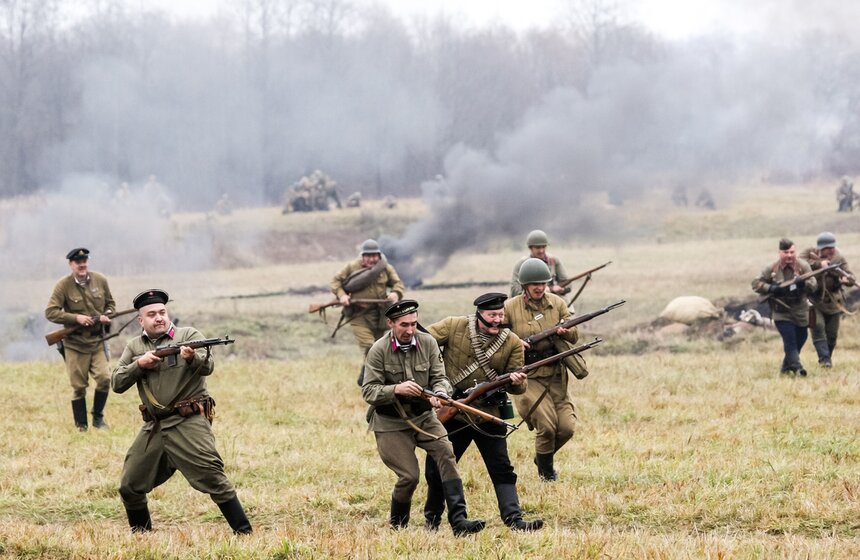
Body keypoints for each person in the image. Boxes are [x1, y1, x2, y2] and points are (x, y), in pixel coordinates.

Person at [111, 289, 252, 534]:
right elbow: (116, 382)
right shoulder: (134, 347)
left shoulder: (189, 335)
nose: (159, 318)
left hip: (189, 420)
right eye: (152, 314)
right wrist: (139, 365)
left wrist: (191, 358)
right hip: (154, 425)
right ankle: (142, 536)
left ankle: (244, 532)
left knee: (212, 476)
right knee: (130, 485)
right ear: (140, 320)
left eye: (163, 312)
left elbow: (208, 366)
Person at [361, 299, 485, 535]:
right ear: (390, 324)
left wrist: (440, 392)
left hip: (425, 417)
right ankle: (398, 526)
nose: (410, 330)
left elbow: (440, 377)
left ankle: (459, 521)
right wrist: (396, 389)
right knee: (409, 477)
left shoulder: (427, 342)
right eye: (404, 325)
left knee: (447, 454)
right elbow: (369, 391)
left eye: (414, 324)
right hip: (391, 422)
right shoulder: (378, 350)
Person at [423, 293, 544, 532]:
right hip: (454, 411)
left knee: (502, 468)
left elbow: (518, 387)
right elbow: (422, 342)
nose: (497, 320)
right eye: (492, 315)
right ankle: (433, 519)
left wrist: (517, 380)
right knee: (438, 467)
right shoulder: (453, 326)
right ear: (479, 313)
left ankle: (514, 519)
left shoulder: (510, 341)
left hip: (489, 414)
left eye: (500, 315)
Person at [505, 258, 579, 481]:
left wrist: (566, 332)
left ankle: (542, 457)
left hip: (555, 374)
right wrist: (515, 342)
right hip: (527, 376)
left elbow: (574, 335)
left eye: (543, 283)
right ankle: (546, 473)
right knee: (546, 427)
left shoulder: (557, 303)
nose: (539, 287)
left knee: (566, 427)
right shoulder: (510, 307)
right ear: (525, 285)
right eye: (534, 283)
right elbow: (499, 337)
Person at [45, 248, 115, 432]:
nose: (82, 264)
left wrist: (107, 315)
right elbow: (50, 312)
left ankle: (98, 418)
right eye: (78, 262)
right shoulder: (63, 286)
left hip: (97, 341)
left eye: (84, 260)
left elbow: (111, 304)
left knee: (105, 379)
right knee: (78, 387)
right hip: (75, 344)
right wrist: (76, 318)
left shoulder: (100, 280)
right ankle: (81, 426)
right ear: (71, 265)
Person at [752, 238, 818, 376]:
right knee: (790, 339)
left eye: (792, 252)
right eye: (785, 252)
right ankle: (798, 368)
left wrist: (803, 284)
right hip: (781, 311)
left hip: (800, 309)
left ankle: (786, 367)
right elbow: (755, 284)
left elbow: (814, 284)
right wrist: (771, 288)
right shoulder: (771, 269)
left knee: (802, 337)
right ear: (779, 253)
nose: (789, 255)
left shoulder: (803, 266)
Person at [330, 239, 404, 357]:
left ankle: (367, 375)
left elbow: (398, 283)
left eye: (374, 255)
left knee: (380, 349)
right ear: (362, 256)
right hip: (358, 315)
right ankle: (370, 374)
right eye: (368, 256)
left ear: (379, 256)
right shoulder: (352, 267)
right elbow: (335, 281)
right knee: (369, 347)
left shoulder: (385, 268)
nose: (371, 259)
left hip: (380, 315)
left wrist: (395, 293)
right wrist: (342, 295)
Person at [800, 232, 856, 367]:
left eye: (833, 247)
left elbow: (850, 276)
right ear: (820, 248)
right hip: (814, 301)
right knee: (818, 328)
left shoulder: (839, 257)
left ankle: (827, 359)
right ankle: (824, 361)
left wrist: (847, 280)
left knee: (832, 336)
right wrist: (820, 264)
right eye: (828, 248)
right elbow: (799, 263)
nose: (832, 250)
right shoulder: (809, 253)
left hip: (833, 303)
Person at [510, 230, 570, 297]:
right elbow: (515, 289)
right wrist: (537, 291)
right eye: (538, 247)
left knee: (566, 305)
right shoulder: (521, 264)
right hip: (526, 300)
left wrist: (561, 289)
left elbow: (567, 284)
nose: (541, 250)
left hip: (550, 299)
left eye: (543, 247)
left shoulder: (553, 260)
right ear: (530, 248)